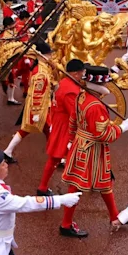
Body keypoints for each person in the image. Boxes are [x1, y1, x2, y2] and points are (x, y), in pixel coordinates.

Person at [59, 71, 128, 237]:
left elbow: (73, 119)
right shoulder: (95, 106)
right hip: (92, 150)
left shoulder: (82, 96)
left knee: (102, 182)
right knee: (79, 187)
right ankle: (66, 225)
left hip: (81, 144)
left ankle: (114, 216)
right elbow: (104, 135)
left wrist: (72, 139)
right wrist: (123, 127)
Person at [36, 58, 85, 195]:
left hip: (59, 125)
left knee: (54, 159)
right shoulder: (71, 90)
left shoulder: (64, 83)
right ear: (75, 74)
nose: (82, 75)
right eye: (81, 73)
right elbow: (75, 114)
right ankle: (75, 190)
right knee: (76, 160)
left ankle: (43, 187)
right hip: (67, 129)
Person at [2, 41, 55, 164]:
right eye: (49, 55)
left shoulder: (43, 68)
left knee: (32, 130)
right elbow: (37, 93)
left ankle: (8, 152)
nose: (51, 57)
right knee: (47, 130)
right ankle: (58, 156)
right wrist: (36, 112)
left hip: (44, 105)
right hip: (39, 107)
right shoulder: (40, 72)